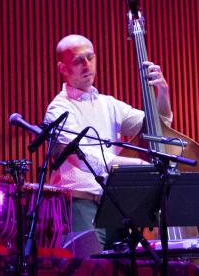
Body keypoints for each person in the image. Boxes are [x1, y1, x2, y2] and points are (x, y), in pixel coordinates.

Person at [43, 34, 170, 252]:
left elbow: (157, 126)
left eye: (90, 57)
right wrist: (140, 166)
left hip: (112, 203)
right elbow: (87, 159)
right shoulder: (58, 109)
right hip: (78, 204)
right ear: (63, 68)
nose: (87, 65)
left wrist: (162, 94)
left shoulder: (108, 104)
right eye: (77, 61)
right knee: (89, 267)